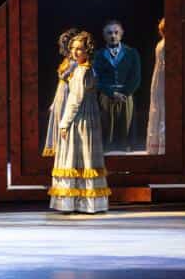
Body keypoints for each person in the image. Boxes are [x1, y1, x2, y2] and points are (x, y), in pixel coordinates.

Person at [49, 31, 110, 213]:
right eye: (73, 49)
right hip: (89, 119)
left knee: (75, 158)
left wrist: (64, 124)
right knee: (86, 158)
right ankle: (85, 203)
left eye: (80, 49)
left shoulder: (82, 71)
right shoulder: (88, 69)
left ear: (87, 51)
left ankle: (77, 203)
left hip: (80, 120)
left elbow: (74, 100)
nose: (75, 52)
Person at [91, 20, 141, 152]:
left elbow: (136, 78)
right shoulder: (98, 55)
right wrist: (111, 93)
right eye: (109, 33)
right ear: (104, 35)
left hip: (126, 96)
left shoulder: (131, 53)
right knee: (107, 126)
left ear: (121, 33)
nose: (113, 35)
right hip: (107, 96)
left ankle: (125, 150)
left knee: (126, 127)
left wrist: (124, 93)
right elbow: (96, 79)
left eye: (116, 32)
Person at [43, 27, 81, 157]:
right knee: (58, 119)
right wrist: (54, 102)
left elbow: (66, 77)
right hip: (61, 92)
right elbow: (61, 81)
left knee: (66, 120)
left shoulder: (76, 63)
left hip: (69, 93)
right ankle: (59, 150)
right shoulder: (67, 61)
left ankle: (68, 151)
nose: (64, 48)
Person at [145, 18, 166, 155]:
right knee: (163, 111)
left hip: (158, 78)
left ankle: (155, 148)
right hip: (163, 79)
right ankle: (162, 148)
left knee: (157, 111)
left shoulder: (160, 44)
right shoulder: (165, 44)